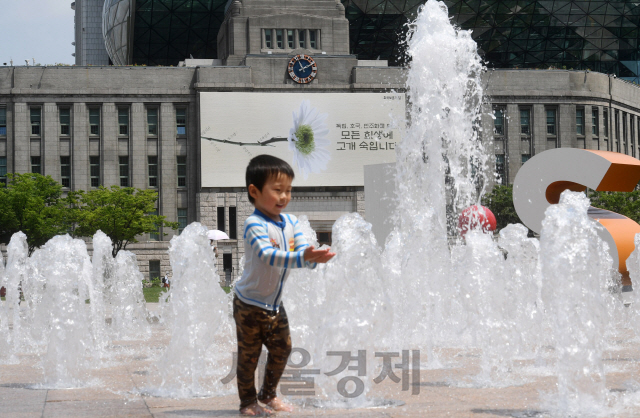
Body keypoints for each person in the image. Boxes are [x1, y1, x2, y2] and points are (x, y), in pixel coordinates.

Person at [233, 154, 335, 416]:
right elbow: (269, 256)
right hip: (249, 304)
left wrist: (314, 259)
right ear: (254, 191)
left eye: (288, 190)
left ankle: (268, 395)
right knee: (249, 356)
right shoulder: (253, 224)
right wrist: (303, 257)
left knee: (283, 347)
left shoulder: (291, 222)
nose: (284, 196)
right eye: (277, 190)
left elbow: (301, 251)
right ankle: (248, 403)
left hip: (274, 304)